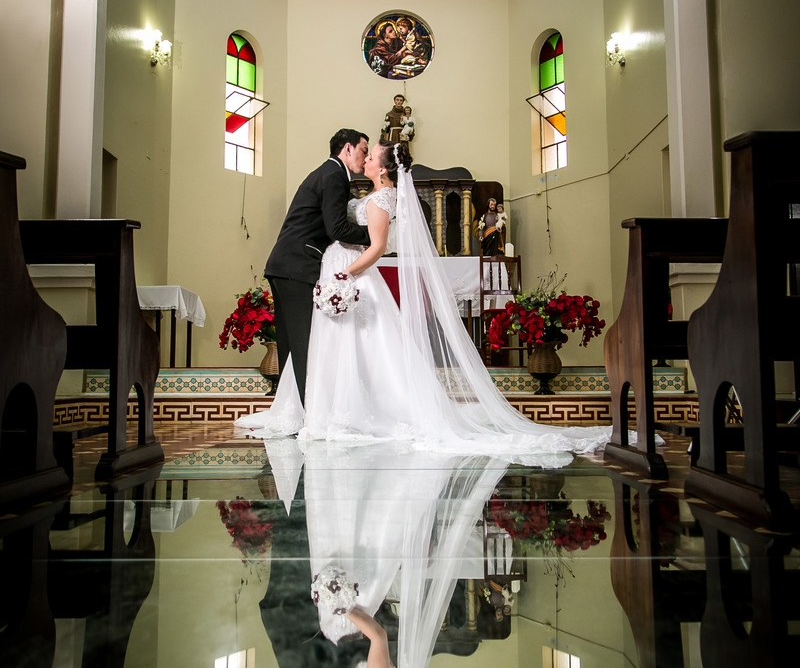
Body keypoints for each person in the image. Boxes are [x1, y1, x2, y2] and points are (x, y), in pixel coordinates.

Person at [236, 141, 611, 463]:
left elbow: (378, 247)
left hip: (353, 277)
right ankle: (335, 408)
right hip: (343, 274)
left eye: (371, 156)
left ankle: (358, 411)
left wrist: (345, 274)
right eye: (363, 153)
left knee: (368, 347)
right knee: (349, 348)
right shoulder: (371, 194)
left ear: (383, 168)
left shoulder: (382, 198)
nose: (365, 159)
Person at [263, 128, 370, 406]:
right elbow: (337, 227)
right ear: (347, 149)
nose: (365, 157)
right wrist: (372, 237)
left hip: (284, 265)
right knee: (304, 345)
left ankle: (294, 411)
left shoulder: (325, 172)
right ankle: (310, 413)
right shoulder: (335, 174)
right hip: (297, 266)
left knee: (291, 346)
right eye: (363, 150)